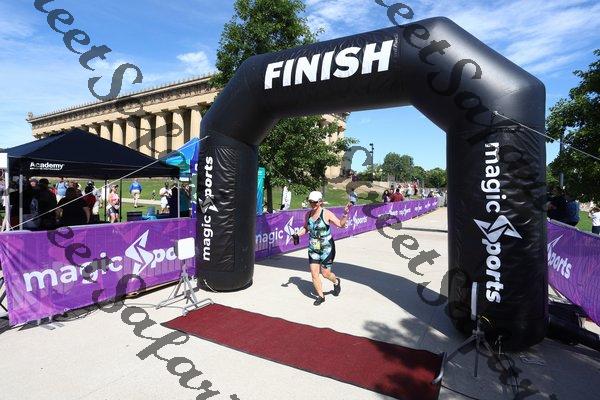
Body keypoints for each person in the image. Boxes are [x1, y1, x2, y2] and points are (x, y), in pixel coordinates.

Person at [292, 191, 350, 306]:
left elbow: (340, 224)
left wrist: (345, 214)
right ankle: (321, 296)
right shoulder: (308, 214)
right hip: (313, 247)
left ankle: (336, 281)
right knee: (314, 274)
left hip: (326, 247)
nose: (312, 204)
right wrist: (297, 234)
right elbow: (306, 228)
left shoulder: (326, 213)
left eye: (314, 202)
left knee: (325, 273)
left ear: (320, 202)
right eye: (310, 202)